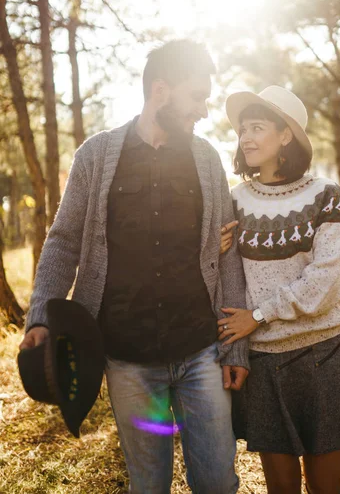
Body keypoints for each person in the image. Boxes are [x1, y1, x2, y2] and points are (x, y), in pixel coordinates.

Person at [19, 39, 249, 494]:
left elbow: (228, 257)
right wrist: (41, 316)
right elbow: (63, 243)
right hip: (125, 358)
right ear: (160, 91)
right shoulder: (96, 155)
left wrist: (234, 349)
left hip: (201, 350)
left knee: (218, 482)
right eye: (196, 97)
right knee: (148, 485)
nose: (203, 110)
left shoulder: (206, 159)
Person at [218, 85, 340, 494]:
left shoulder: (325, 196)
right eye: (242, 129)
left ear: (286, 136)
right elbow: (221, 277)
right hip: (264, 363)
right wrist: (211, 252)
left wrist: (260, 315)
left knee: (324, 488)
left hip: (322, 354)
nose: (245, 137)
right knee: (281, 488)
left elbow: (328, 280)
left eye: (257, 127)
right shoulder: (233, 201)